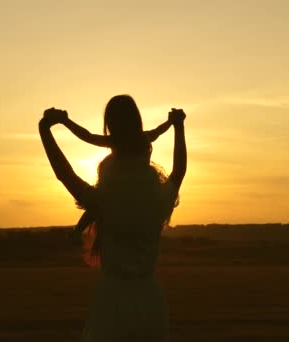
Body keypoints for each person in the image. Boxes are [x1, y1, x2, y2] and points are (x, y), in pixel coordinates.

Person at [38, 94, 186, 342]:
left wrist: (45, 130)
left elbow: (65, 175)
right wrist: (178, 126)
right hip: (151, 303)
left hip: (112, 303)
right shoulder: (158, 199)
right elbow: (179, 171)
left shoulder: (104, 200)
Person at [57, 100, 173, 243]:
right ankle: (78, 230)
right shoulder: (143, 138)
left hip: (126, 186)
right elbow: (160, 130)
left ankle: (78, 230)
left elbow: (87, 136)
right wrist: (171, 122)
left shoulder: (118, 140)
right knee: (97, 203)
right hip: (138, 187)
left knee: (96, 204)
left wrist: (66, 121)